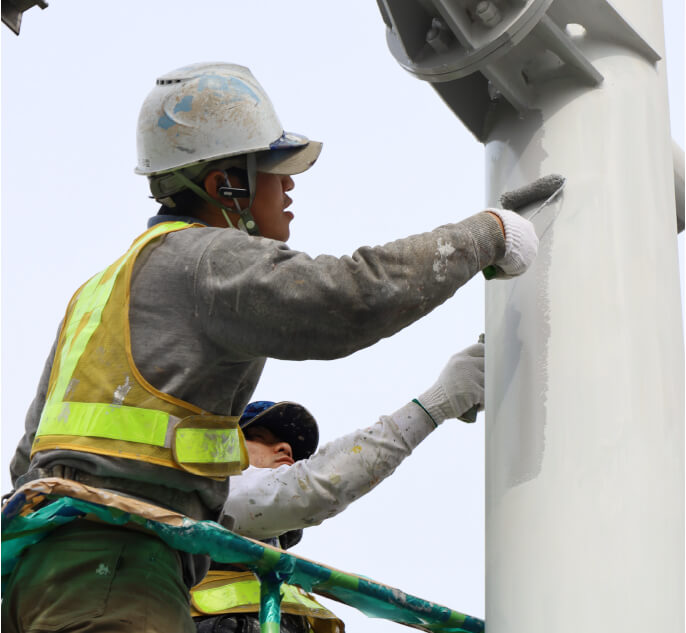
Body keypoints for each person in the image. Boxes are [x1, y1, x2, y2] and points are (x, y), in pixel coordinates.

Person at [3, 61, 537, 633]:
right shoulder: (205, 259)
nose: (289, 187)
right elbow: (347, 298)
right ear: (223, 186)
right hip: (118, 567)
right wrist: (484, 235)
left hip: (42, 570)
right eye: (274, 169)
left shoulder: (101, 291)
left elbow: (27, 459)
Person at [192, 343, 484, 633]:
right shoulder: (209, 491)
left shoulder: (276, 575)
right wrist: (435, 405)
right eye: (257, 436)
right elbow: (317, 485)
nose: (285, 448)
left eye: (295, 452)